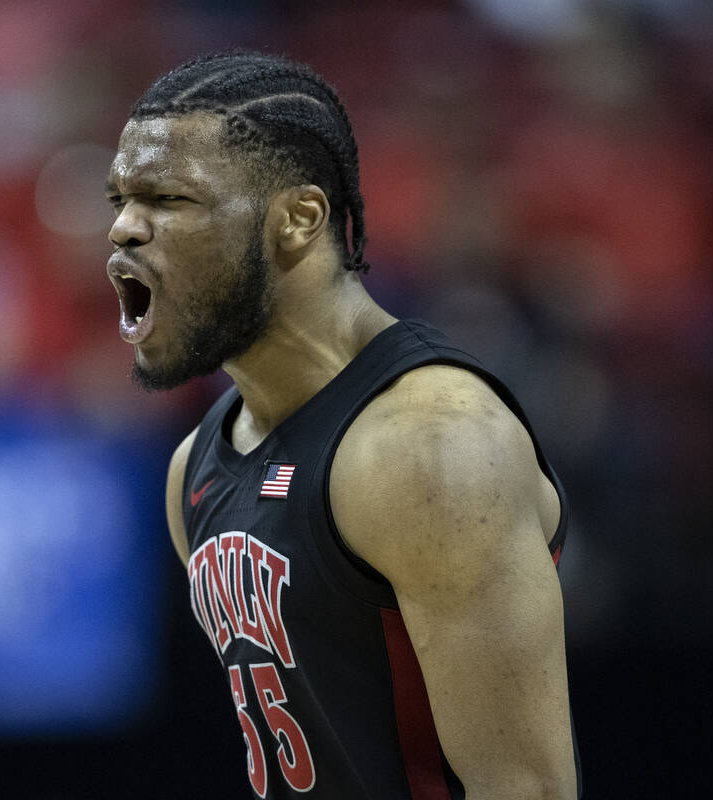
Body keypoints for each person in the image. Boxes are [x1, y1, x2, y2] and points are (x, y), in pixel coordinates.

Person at [105, 50, 581, 800]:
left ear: (297, 221)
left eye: (168, 198)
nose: (126, 228)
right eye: (120, 200)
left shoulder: (432, 447)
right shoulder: (194, 467)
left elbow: (529, 790)